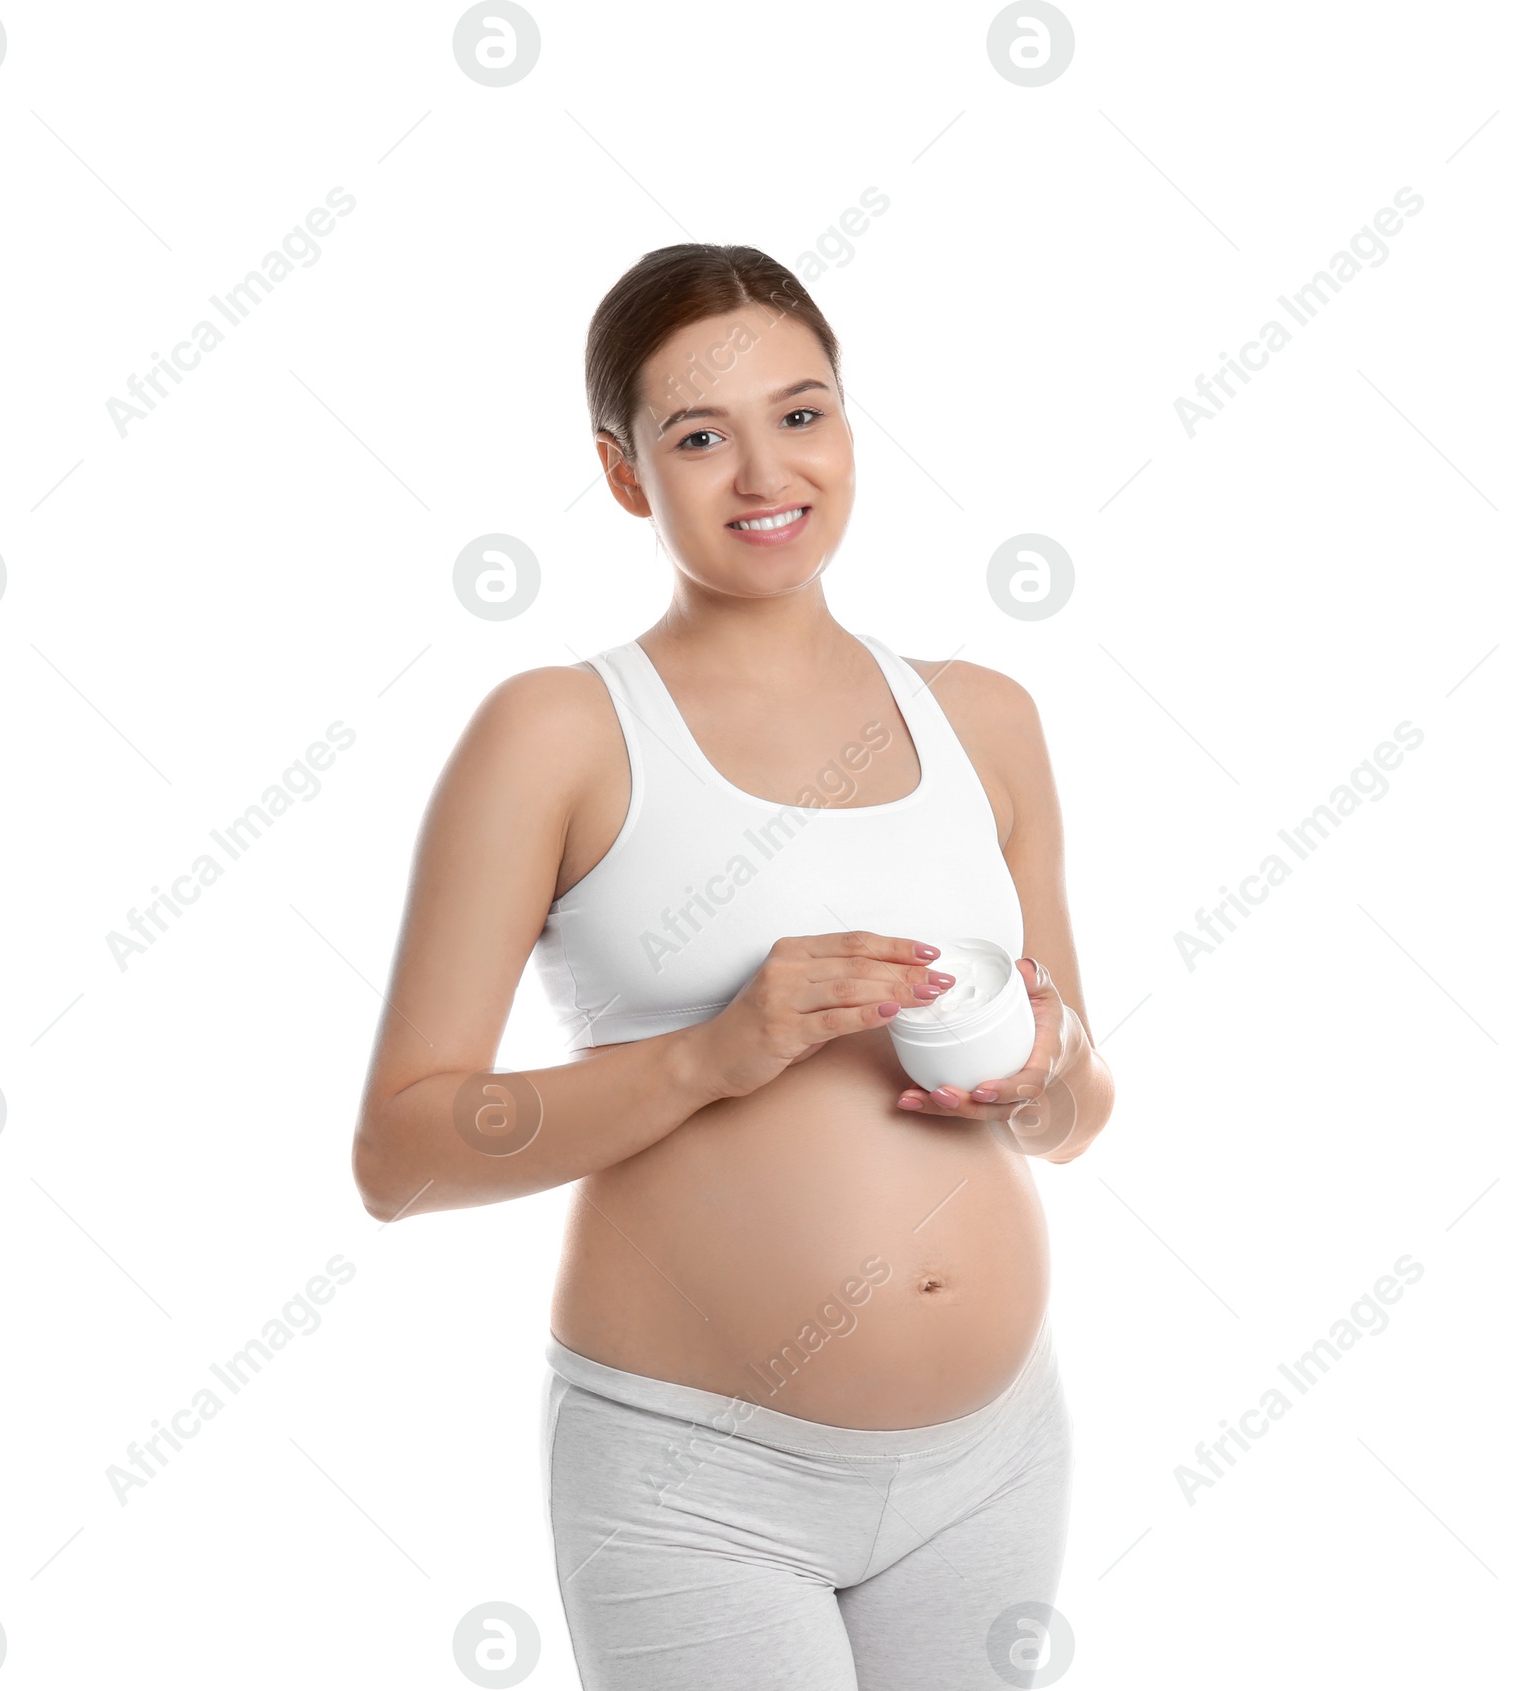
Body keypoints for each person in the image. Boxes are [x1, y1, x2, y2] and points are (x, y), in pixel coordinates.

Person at [351, 243, 1116, 1689]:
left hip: (995, 1458)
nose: (768, 473)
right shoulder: (556, 733)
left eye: (803, 413)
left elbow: (1079, 1115)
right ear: (626, 473)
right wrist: (715, 1052)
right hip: (696, 1486)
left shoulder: (986, 720)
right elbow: (400, 1153)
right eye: (701, 436)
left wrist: (1045, 1067)